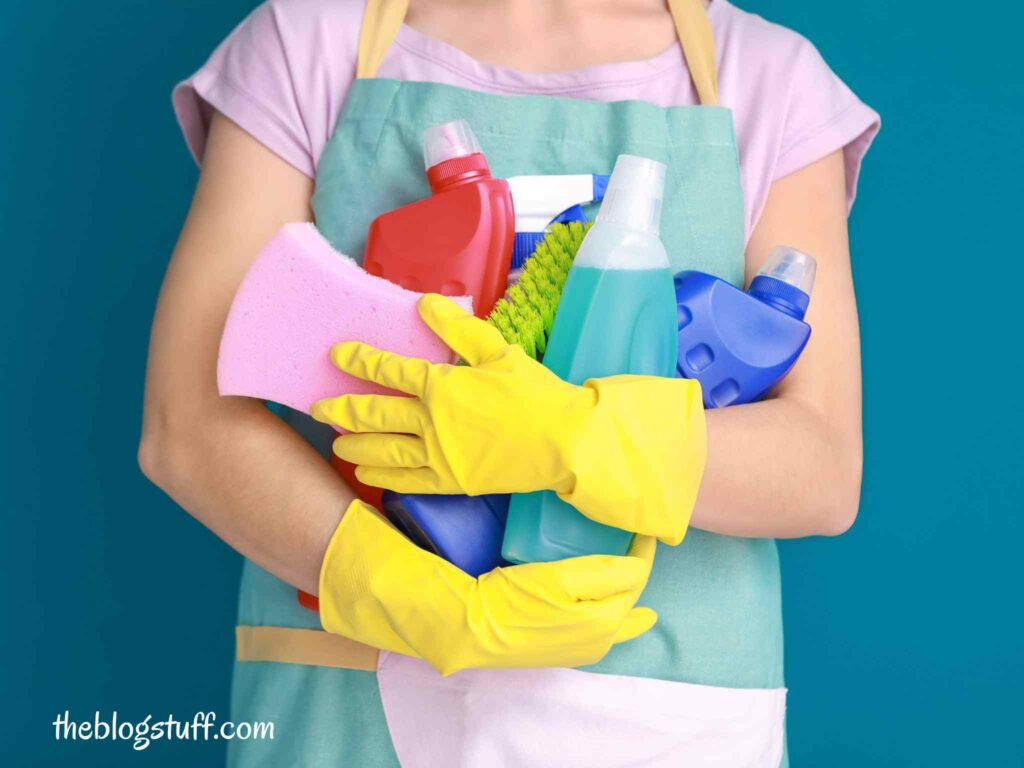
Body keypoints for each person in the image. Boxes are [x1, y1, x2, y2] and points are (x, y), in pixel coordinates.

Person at [140, 0, 879, 764]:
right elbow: (186, 424)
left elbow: (822, 469)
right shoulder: (307, 44)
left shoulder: (768, 78)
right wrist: (421, 604)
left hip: (668, 713)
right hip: (352, 708)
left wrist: (573, 436)